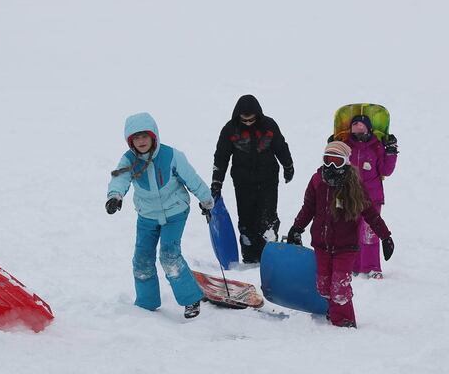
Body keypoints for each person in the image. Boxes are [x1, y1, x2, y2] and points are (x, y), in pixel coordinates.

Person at [106, 112, 213, 319]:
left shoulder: (172, 155)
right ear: (130, 141)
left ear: (153, 136)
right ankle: (147, 303)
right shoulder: (129, 159)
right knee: (142, 259)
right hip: (147, 215)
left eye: (144, 136)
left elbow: (192, 179)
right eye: (136, 138)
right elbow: (120, 177)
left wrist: (206, 200)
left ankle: (191, 299)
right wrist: (115, 196)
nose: (141, 141)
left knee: (169, 256)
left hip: (175, 212)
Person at [286, 141, 395, 328]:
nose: (331, 166)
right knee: (324, 285)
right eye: (327, 161)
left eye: (336, 161)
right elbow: (308, 208)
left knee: (339, 287)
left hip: (346, 246)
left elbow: (370, 212)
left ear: (345, 162)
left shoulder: (354, 184)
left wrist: (385, 236)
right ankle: (334, 313)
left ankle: (344, 322)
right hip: (322, 244)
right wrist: (297, 228)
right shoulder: (317, 180)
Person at [211, 94, 294, 263]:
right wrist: (216, 182)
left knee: (268, 218)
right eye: (244, 120)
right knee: (246, 219)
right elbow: (221, 157)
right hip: (243, 182)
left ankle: (268, 255)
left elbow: (280, 146)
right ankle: (249, 256)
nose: (248, 123)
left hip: (268, 179)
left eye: (251, 120)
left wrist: (288, 166)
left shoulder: (269, 125)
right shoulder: (230, 129)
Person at [339, 115, 398, 279]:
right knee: (350, 232)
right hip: (349, 196)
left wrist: (391, 152)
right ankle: (352, 266)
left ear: (369, 128)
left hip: (372, 197)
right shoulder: (347, 145)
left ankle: (372, 267)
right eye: (354, 126)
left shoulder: (376, 146)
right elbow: (335, 163)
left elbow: (386, 170)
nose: (357, 129)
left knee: (370, 233)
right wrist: (332, 146)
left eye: (361, 126)